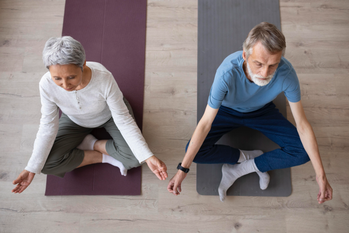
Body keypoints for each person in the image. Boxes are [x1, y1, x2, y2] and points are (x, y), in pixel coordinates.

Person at [167, 22, 333, 203]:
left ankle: (242, 168)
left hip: (262, 112)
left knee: (303, 152)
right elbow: (205, 123)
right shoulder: (227, 73)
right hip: (227, 111)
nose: (265, 73)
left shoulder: (287, 74)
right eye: (259, 64)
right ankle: (247, 156)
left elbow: (302, 124)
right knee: (193, 153)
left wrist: (321, 175)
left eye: (273, 65)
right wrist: (182, 170)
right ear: (245, 55)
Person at [12, 36, 167, 194]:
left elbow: (123, 120)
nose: (65, 85)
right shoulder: (45, 84)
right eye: (57, 78)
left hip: (109, 116)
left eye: (71, 77)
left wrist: (148, 156)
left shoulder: (104, 77)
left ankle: (93, 144)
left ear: (83, 64)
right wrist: (31, 168)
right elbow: (47, 125)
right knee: (42, 164)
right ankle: (100, 153)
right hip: (74, 120)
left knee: (136, 158)